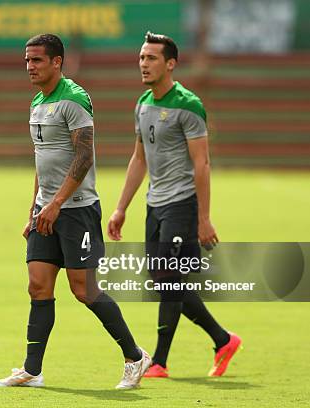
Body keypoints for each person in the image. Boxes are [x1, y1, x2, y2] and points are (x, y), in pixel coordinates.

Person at [0, 33, 150, 389]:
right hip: (45, 211)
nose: (29, 66)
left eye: (37, 60)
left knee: (84, 290)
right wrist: (34, 210)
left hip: (77, 211)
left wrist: (57, 204)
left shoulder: (74, 99)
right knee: (38, 286)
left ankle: (135, 357)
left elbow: (84, 156)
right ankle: (32, 370)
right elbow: (42, 162)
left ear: (57, 62)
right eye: (27, 60)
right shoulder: (36, 102)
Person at [107, 32, 241, 378]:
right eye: (141, 57)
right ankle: (223, 339)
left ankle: (160, 362)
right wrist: (121, 207)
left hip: (182, 204)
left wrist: (204, 218)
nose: (144, 64)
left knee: (169, 279)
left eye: (151, 58)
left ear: (170, 63)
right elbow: (139, 158)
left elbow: (203, 164)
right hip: (155, 204)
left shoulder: (189, 105)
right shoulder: (143, 103)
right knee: (164, 279)